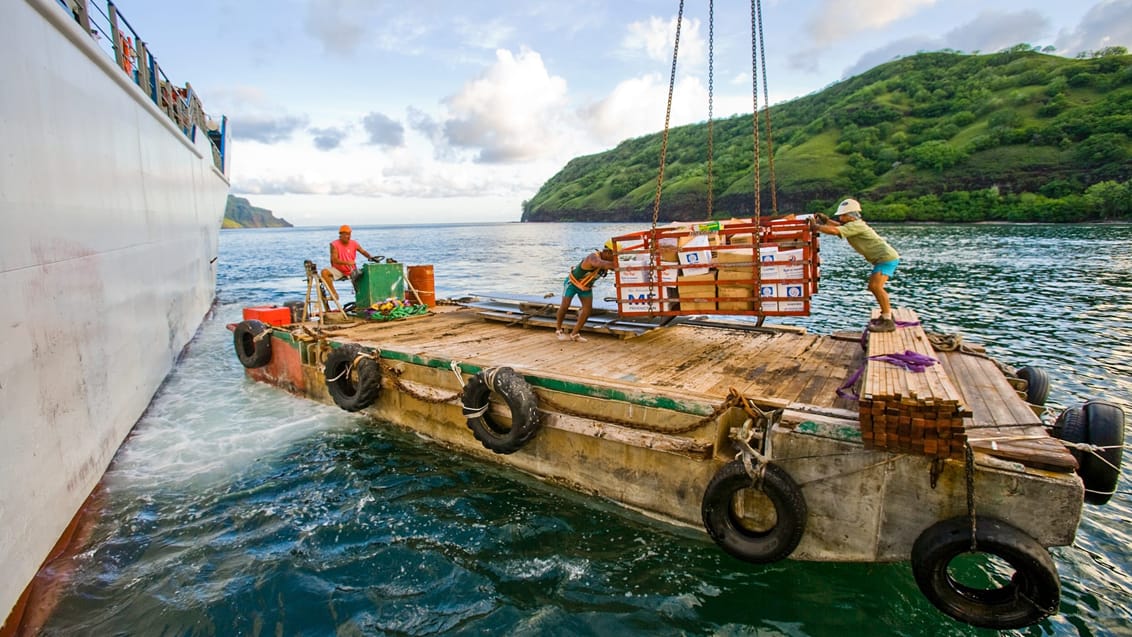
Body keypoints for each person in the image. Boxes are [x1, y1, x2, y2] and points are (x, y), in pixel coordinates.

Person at [810, 198, 900, 332]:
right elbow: (837, 227)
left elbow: (835, 231)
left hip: (886, 258)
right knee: (875, 287)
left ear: (850, 216)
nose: (840, 217)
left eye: (842, 215)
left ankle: (887, 320)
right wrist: (826, 220)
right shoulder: (854, 225)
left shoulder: (856, 226)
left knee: (875, 286)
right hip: (884, 258)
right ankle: (886, 315)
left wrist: (816, 227)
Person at [555, 240, 618, 342]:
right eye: (614, 255)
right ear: (607, 252)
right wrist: (616, 264)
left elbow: (614, 268)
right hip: (572, 283)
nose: (615, 258)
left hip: (586, 287)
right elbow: (599, 263)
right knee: (565, 305)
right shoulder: (593, 257)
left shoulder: (608, 262)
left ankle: (574, 333)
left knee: (587, 310)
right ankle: (558, 330)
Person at [321, 225, 375, 300]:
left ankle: (362, 300)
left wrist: (371, 257)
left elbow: (363, 251)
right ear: (341, 235)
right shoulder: (334, 244)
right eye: (346, 234)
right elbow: (334, 260)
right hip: (339, 270)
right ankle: (334, 294)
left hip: (351, 270)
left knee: (365, 275)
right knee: (324, 272)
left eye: (349, 234)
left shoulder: (354, 243)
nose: (348, 236)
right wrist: (347, 262)